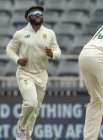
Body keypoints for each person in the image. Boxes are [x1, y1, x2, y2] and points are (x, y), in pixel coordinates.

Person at [6, 6, 61, 140]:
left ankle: (26, 136)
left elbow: (58, 52)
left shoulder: (49, 33)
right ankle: (21, 128)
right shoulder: (20, 33)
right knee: (31, 103)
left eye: (40, 14)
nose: (38, 15)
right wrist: (17, 59)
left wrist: (52, 54)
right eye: (34, 14)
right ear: (27, 17)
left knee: (35, 109)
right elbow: (9, 49)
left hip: (42, 75)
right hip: (25, 73)